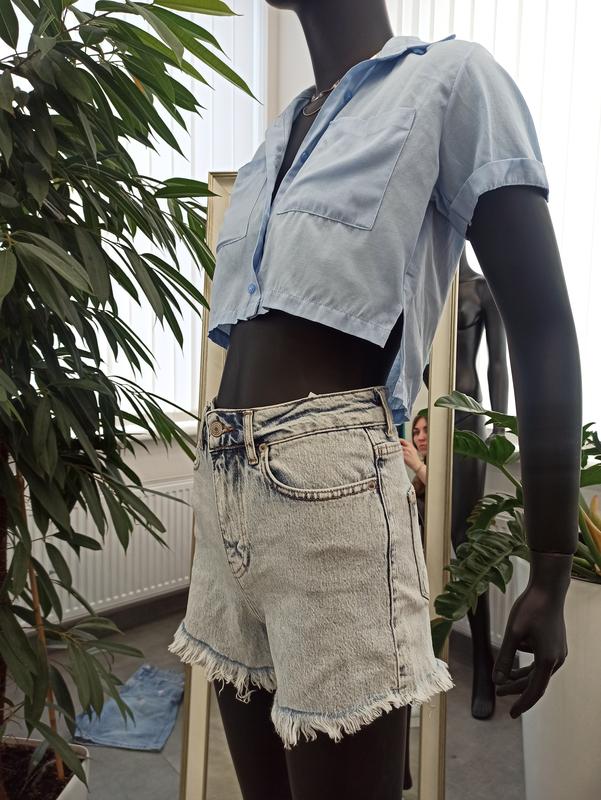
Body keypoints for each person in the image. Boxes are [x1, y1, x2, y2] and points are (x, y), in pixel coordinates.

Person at [169, 2, 582, 798]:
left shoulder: (452, 82)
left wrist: (551, 564)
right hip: (223, 486)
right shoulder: (280, 133)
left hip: (329, 495)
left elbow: (541, 330)